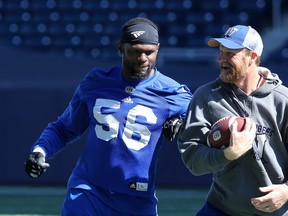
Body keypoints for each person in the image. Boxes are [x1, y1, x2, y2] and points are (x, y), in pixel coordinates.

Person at [24, 17, 192, 216]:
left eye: (149, 52)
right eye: (135, 51)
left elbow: (201, 121)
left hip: (137, 198)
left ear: (158, 49)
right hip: (89, 190)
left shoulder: (172, 92)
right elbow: (64, 128)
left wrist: (182, 122)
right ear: (121, 48)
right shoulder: (97, 82)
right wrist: (40, 150)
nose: (143, 58)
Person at [178, 24, 288, 215]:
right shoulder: (206, 96)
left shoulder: (283, 100)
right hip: (221, 209)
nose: (221, 59)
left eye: (230, 53)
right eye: (221, 52)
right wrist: (229, 153)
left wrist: (286, 191)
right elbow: (193, 159)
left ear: (252, 57)